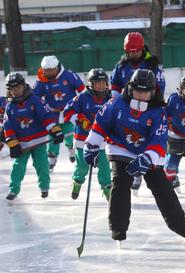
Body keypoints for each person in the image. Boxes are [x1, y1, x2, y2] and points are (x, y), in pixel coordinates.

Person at [84, 69, 185, 242]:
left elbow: (159, 140)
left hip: (148, 152)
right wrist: (91, 144)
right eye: (138, 91)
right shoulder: (115, 103)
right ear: (130, 88)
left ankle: (179, 225)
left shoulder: (159, 111)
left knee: (162, 188)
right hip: (120, 147)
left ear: (153, 92)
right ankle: (118, 228)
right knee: (120, 183)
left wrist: (147, 157)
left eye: (146, 92)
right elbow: (100, 124)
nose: (141, 96)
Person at [110, 32, 166, 193]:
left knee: (147, 138)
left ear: (142, 49)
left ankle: (152, 167)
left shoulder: (152, 64)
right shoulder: (121, 66)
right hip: (126, 108)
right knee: (127, 138)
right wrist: (114, 102)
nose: (133, 54)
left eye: (136, 51)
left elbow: (160, 86)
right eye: (130, 52)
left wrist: (154, 106)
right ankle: (131, 170)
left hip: (149, 108)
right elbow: (114, 84)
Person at [3, 72, 64, 200]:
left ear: (24, 85)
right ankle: (13, 190)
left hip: (39, 141)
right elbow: (8, 127)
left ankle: (44, 187)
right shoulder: (10, 107)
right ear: (9, 90)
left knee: (41, 165)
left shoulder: (35, 100)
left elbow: (46, 117)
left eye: (18, 87)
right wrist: (13, 144)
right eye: (12, 88)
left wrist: (55, 130)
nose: (16, 91)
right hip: (22, 143)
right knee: (18, 167)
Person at [62, 68, 112, 200]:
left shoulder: (111, 99)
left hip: (103, 141)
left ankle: (107, 188)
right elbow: (67, 113)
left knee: (105, 168)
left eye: (103, 83)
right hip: (82, 140)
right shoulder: (82, 97)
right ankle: (77, 181)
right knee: (82, 166)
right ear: (91, 84)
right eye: (98, 83)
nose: (101, 86)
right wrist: (79, 119)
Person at [33, 55, 85, 170]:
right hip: (51, 114)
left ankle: (71, 148)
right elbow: (34, 98)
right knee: (54, 136)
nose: (49, 73)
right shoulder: (41, 80)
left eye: (51, 70)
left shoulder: (69, 75)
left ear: (57, 68)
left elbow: (82, 90)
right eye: (46, 70)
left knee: (69, 133)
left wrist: (83, 104)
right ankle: (51, 159)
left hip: (69, 111)